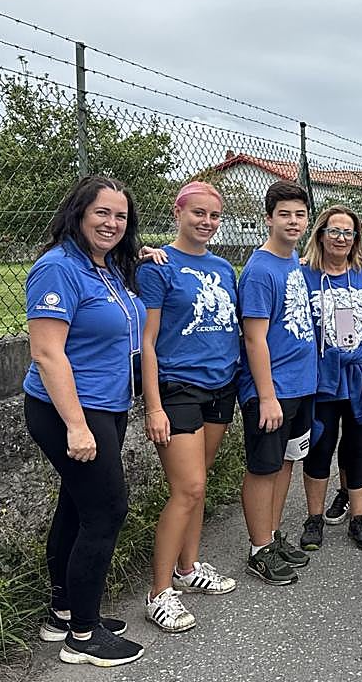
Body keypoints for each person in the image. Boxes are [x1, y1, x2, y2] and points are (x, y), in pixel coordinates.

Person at [24, 175, 147, 667]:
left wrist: (147, 253)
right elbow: (48, 353)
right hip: (71, 409)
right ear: (78, 212)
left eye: (120, 216)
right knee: (106, 510)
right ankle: (84, 635)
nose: (112, 223)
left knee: (77, 507)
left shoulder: (107, 267)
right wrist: (76, 425)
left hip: (107, 405)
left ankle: (63, 611)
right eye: (102, 213)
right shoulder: (57, 268)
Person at [139, 182, 239, 633]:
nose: (206, 222)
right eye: (198, 213)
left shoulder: (223, 267)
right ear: (178, 212)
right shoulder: (157, 265)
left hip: (221, 386)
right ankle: (159, 592)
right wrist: (153, 406)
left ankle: (188, 566)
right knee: (188, 488)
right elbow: (147, 340)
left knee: (200, 484)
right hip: (179, 388)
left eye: (214, 216)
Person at [298, 206, 362, 552]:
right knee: (320, 446)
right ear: (321, 234)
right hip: (321, 377)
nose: (341, 238)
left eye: (348, 233)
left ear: (356, 238)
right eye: (334, 231)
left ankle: (358, 517)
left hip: (361, 374)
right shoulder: (302, 273)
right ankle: (314, 518)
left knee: (357, 446)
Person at [236, 181, 317, 587]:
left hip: (300, 386)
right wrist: (266, 396)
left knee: (286, 461)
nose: (292, 221)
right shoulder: (260, 270)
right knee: (263, 468)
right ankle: (257, 549)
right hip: (273, 390)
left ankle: (270, 536)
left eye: (299, 214)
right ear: (268, 218)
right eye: (284, 214)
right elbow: (254, 337)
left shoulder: (293, 262)